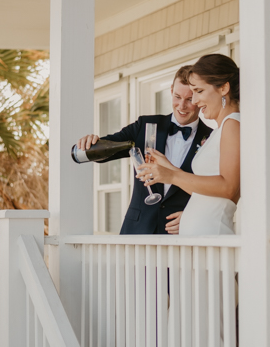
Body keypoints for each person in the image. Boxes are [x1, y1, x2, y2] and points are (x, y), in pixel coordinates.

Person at [74, 66, 212, 234]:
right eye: (177, 97)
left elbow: (216, 191)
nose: (181, 105)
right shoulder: (145, 125)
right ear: (171, 90)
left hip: (179, 233)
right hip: (136, 231)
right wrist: (90, 142)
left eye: (189, 99)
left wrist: (192, 216)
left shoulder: (212, 139)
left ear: (199, 98)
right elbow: (107, 149)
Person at [136, 53, 240, 235]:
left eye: (199, 92)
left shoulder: (232, 124)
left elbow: (229, 188)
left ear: (224, 88)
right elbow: (207, 190)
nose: (195, 101)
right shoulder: (220, 129)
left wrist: (172, 176)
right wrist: (170, 169)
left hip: (213, 236)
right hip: (200, 239)